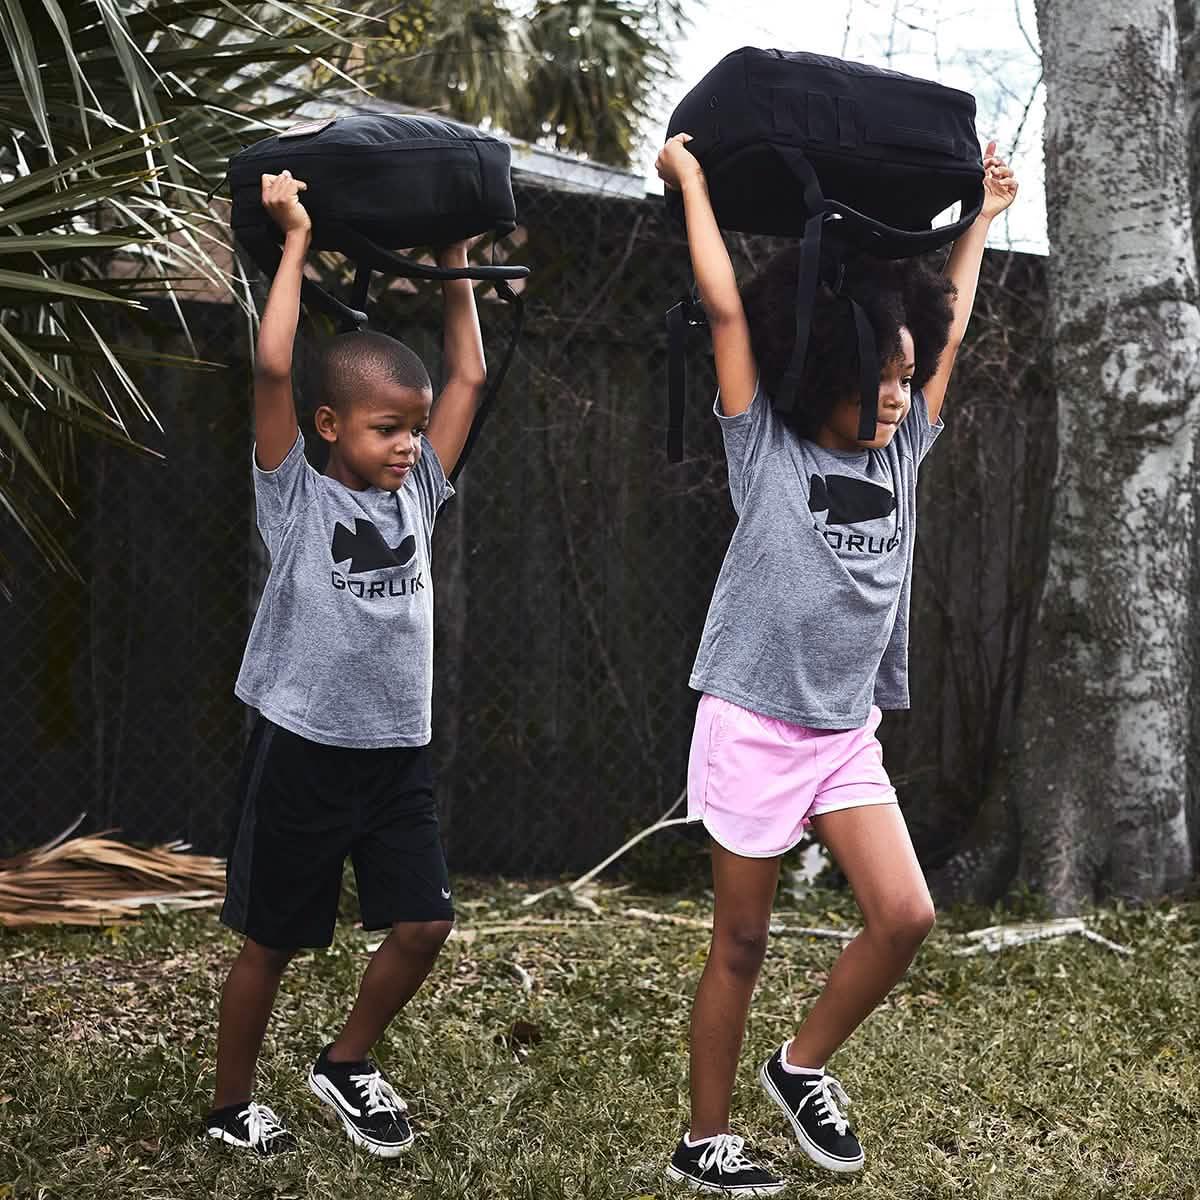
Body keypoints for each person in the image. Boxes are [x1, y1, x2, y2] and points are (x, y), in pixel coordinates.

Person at [654, 134, 1018, 1195]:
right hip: (754, 720)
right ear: (819, 372)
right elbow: (727, 312)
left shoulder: (904, 448)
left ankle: (799, 1065)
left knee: (905, 916)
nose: (901, 397)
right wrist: (694, 187)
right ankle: (703, 1138)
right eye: (879, 380)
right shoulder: (765, 445)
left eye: (907, 378)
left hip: (842, 729)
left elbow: (945, 336)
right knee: (742, 942)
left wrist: (983, 220)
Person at [203, 169, 487, 1157]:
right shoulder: (298, 498)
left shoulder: (419, 495)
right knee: (271, 943)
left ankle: (346, 1063)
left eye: (414, 429)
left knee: (422, 925)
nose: (411, 445)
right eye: (387, 428)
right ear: (331, 430)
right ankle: (233, 1100)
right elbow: (275, 368)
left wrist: (455, 263)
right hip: (305, 750)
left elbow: (471, 382)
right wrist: (293, 239)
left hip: (396, 755)